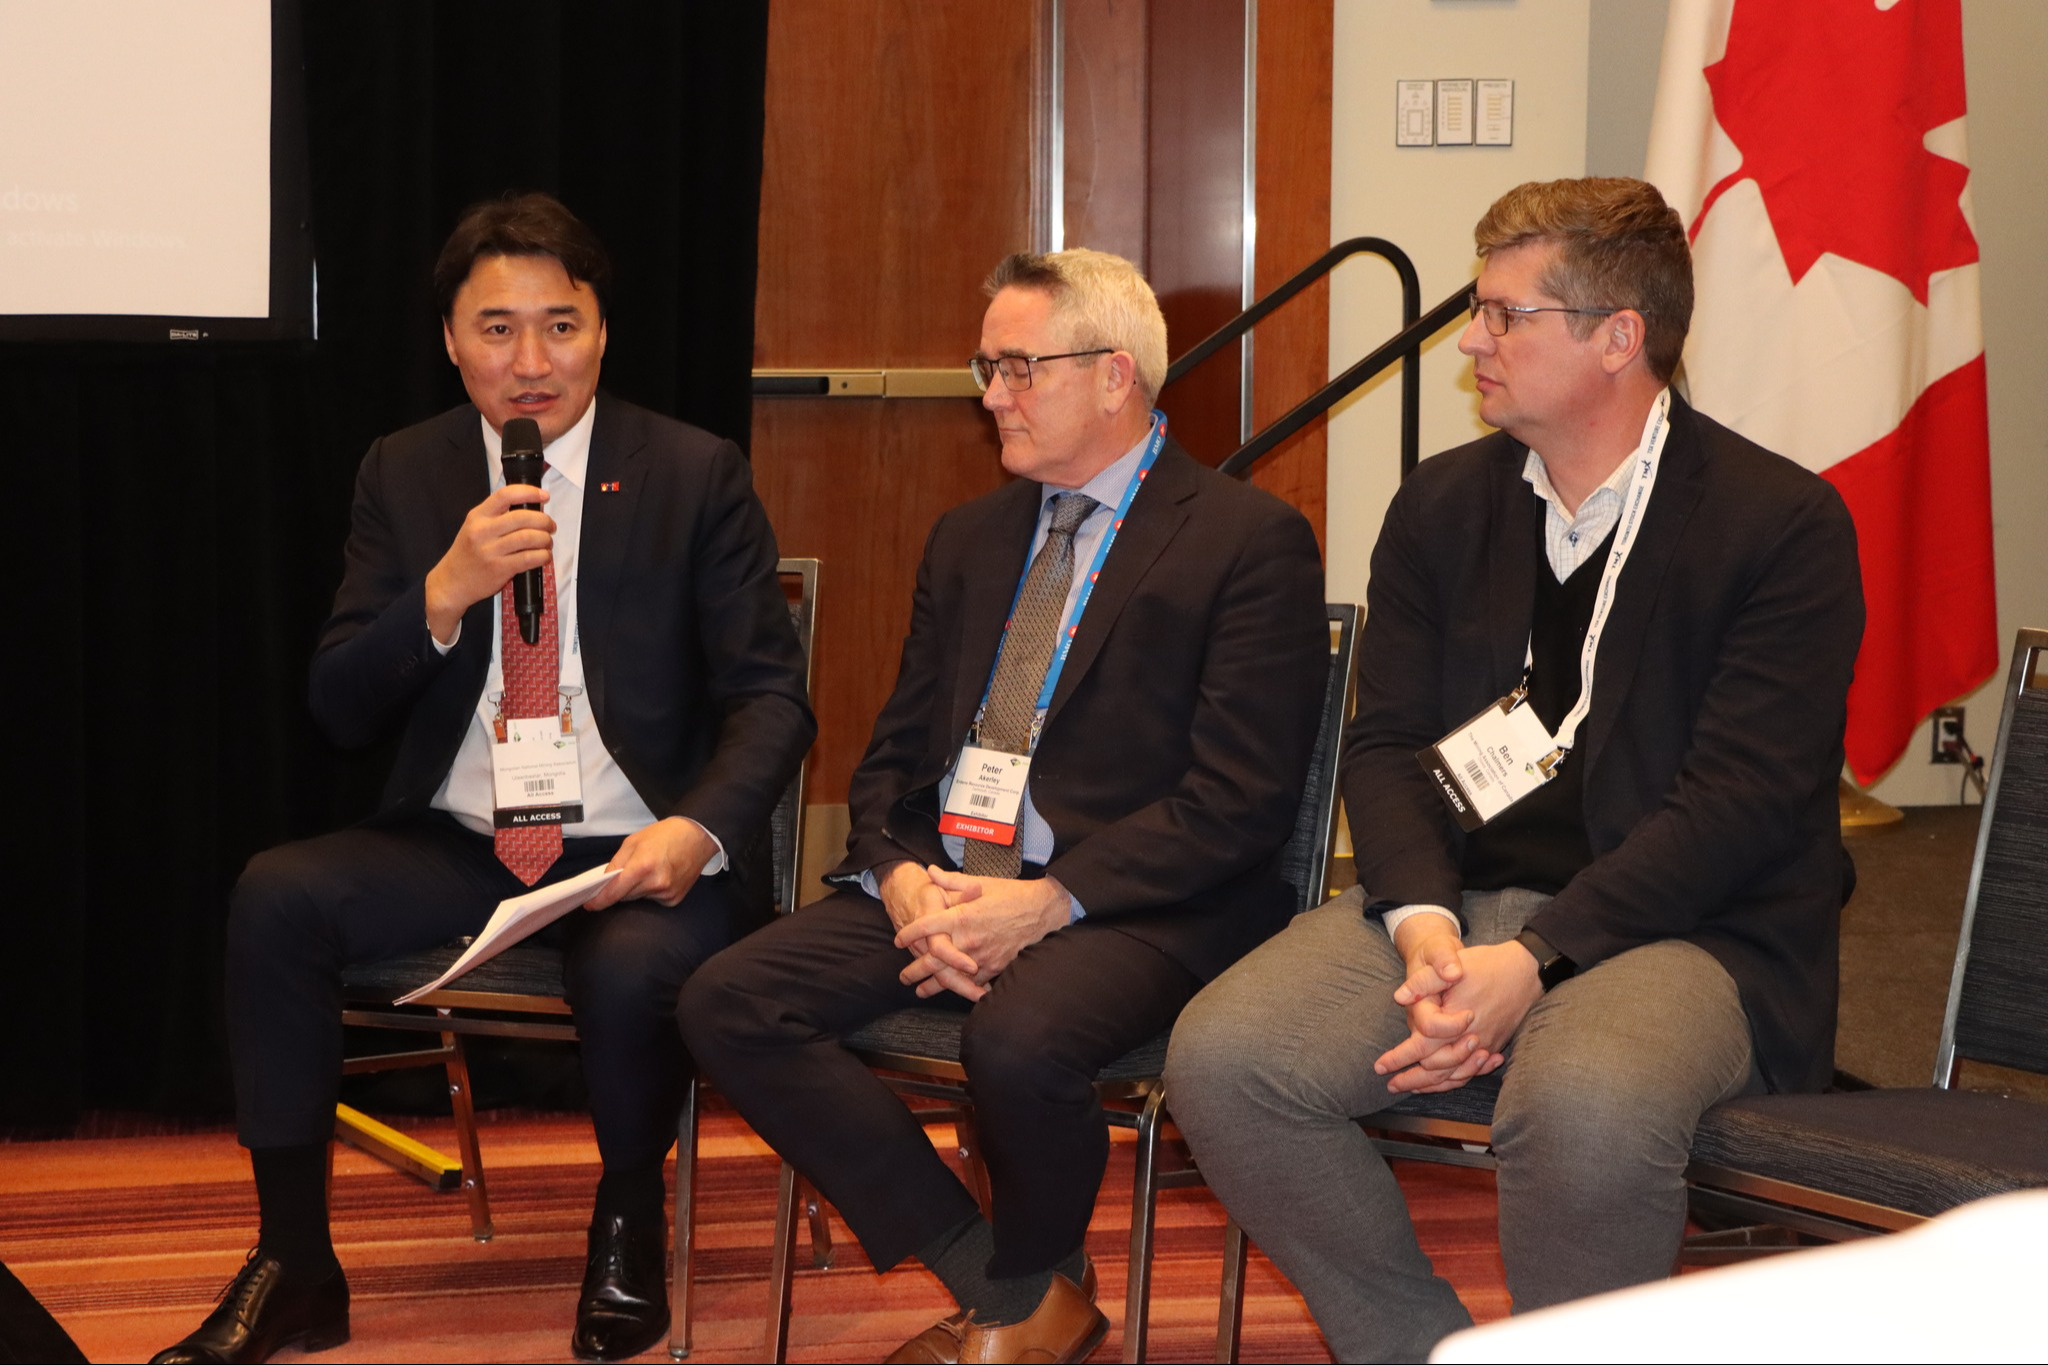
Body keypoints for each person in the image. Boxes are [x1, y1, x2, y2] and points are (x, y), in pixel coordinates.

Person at [1164, 177, 1865, 1361]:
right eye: (1474, 312)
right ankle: (1420, 1347)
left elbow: (1737, 807)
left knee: (1583, 1104)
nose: (1470, 341)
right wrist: (1425, 928)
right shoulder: (1442, 505)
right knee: (1227, 1062)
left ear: (1615, 338)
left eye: (1503, 315)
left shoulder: (1776, 524)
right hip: (1458, 899)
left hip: (1690, 928)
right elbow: (1386, 743)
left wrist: (1535, 958)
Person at [151, 193, 814, 1365]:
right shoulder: (405, 472)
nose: (531, 362)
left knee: (628, 969)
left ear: (601, 332)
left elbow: (772, 698)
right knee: (277, 896)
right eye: (497, 330)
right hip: (467, 839)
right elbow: (338, 702)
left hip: (637, 846)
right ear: (451, 343)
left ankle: (627, 1226)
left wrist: (699, 830)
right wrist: (442, 595)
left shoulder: (691, 471)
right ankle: (294, 1261)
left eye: (560, 326)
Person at [679, 248, 1328, 1365]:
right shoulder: (970, 538)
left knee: (1017, 1042)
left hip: (1140, 899)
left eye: (1019, 368)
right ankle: (1009, 1284)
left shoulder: (1244, 541)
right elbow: (893, 757)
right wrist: (898, 878)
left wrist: (1046, 904)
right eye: (988, 368)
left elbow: (1240, 800)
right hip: (951, 877)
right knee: (727, 998)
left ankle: (1023, 1307)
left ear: (1115, 375)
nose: (991, 396)